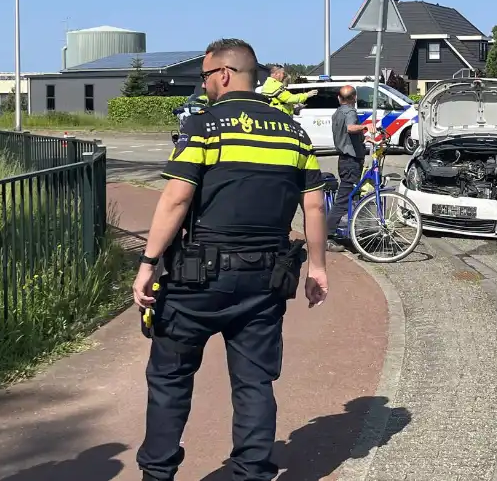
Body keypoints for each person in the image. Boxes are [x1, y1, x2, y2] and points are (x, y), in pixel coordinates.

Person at [133, 38, 330, 481]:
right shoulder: (292, 132)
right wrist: (317, 268)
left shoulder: (205, 127)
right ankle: (250, 472)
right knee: (255, 381)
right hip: (265, 281)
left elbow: (177, 198)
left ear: (223, 74)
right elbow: (314, 206)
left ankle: (158, 474)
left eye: (204, 76)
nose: (203, 86)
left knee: (170, 377)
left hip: (196, 280)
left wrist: (147, 264)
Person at [325, 85, 374, 251]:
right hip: (351, 162)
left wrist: (363, 139)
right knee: (343, 200)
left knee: (348, 197)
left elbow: (346, 135)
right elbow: (350, 128)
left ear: (339, 98)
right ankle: (327, 236)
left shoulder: (337, 113)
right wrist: (365, 127)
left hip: (344, 159)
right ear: (354, 98)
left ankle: (349, 230)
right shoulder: (350, 112)